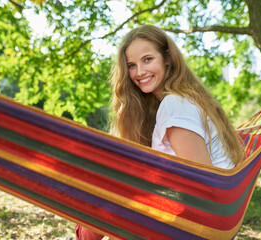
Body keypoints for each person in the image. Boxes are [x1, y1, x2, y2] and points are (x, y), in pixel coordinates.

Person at [75, 25, 244, 240]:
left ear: (167, 58)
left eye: (147, 59)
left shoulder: (175, 104)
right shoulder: (184, 99)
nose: (140, 72)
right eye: (131, 65)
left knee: (103, 195)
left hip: (198, 225)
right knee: (107, 191)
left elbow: (202, 184)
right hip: (209, 219)